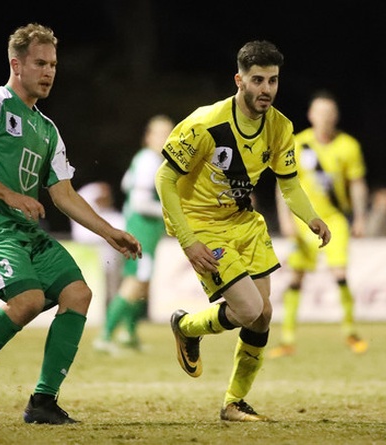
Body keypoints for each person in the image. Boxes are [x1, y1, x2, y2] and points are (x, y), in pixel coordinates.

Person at [0, 23, 141, 426]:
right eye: (40, 63)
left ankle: (43, 402)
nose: (49, 72)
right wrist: (9, 194)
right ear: (17, 64)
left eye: (53, 64)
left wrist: (109, 231)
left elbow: (63, 194)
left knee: (79, 294)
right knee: (28, 302)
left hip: (26, 235)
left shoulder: (48, 130)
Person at [154, 40, 331, 422]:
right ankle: (186, 327)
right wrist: (188, 239)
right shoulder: (206, 123)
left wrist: (311, 217)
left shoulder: (280, 126)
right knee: (248, 308)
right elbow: (164, 180)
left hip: (243, 221)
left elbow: (289, 183)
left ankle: (234, 402)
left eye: (273, 80)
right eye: (258, 80)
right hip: (202, 224)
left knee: (264, 315)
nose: (266, 89)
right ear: (239, 80)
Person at [268, 89, 369, 359]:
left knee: (340, 273)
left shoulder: (348, 146)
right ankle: (287, 339)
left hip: (334, 219)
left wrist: (360, 217)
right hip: (303, 221)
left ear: (336, 116)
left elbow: (357, 184)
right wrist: (285, 219)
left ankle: (350, 332)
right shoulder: (298, 144)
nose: (325, 118)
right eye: (320, 112)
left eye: (329, 113)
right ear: (311, 115)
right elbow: (284, 185)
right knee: (297, 277)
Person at [93, 114, 174, 354]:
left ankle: (129, 333)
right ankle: (105, 335)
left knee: (142, 283)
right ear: (148, 136)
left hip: (145, 230)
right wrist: (171, 212)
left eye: (169, 133)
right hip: (141, 230)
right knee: (135, 281)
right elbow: (140, 202)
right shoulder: (149, 160)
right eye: (160, 133)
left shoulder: (148, 160)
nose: (166, 138)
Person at [70, 181, 126, 313]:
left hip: (101, 245)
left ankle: (113, 309)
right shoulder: (89, 196)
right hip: (91, 244)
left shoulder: (107, 213)